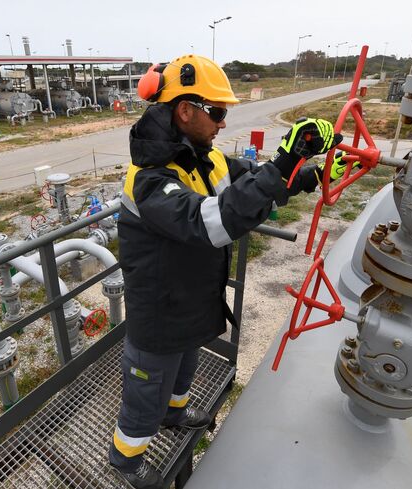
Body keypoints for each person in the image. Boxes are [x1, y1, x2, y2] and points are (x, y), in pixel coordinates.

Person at [108, 54, 345, 488]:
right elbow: (210, 221)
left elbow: (253, 185)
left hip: (194, 299)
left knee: (184, 368)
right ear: (185, 110)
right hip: (159, 310)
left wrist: (306, 171)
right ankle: (127, 460)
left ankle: (175, 413)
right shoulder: (149, 180)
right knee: (146, 392)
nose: (222, 122)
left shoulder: (207, 158)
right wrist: (283, 164)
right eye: (216, 112)